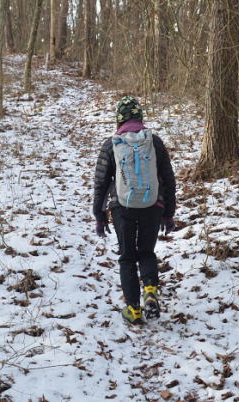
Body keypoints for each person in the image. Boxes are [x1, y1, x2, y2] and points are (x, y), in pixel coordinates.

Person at [93, 96, 176, 325]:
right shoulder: (154, 141)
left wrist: (99, 216)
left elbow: (101, 181)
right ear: (140, 117)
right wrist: (168, 213)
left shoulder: (112, 144)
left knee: (127, 257)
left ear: (118, 119)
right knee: (147, 252)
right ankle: (150, 290)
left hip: (122, 207)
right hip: (153, 206)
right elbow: (168, 179)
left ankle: (133, 309)